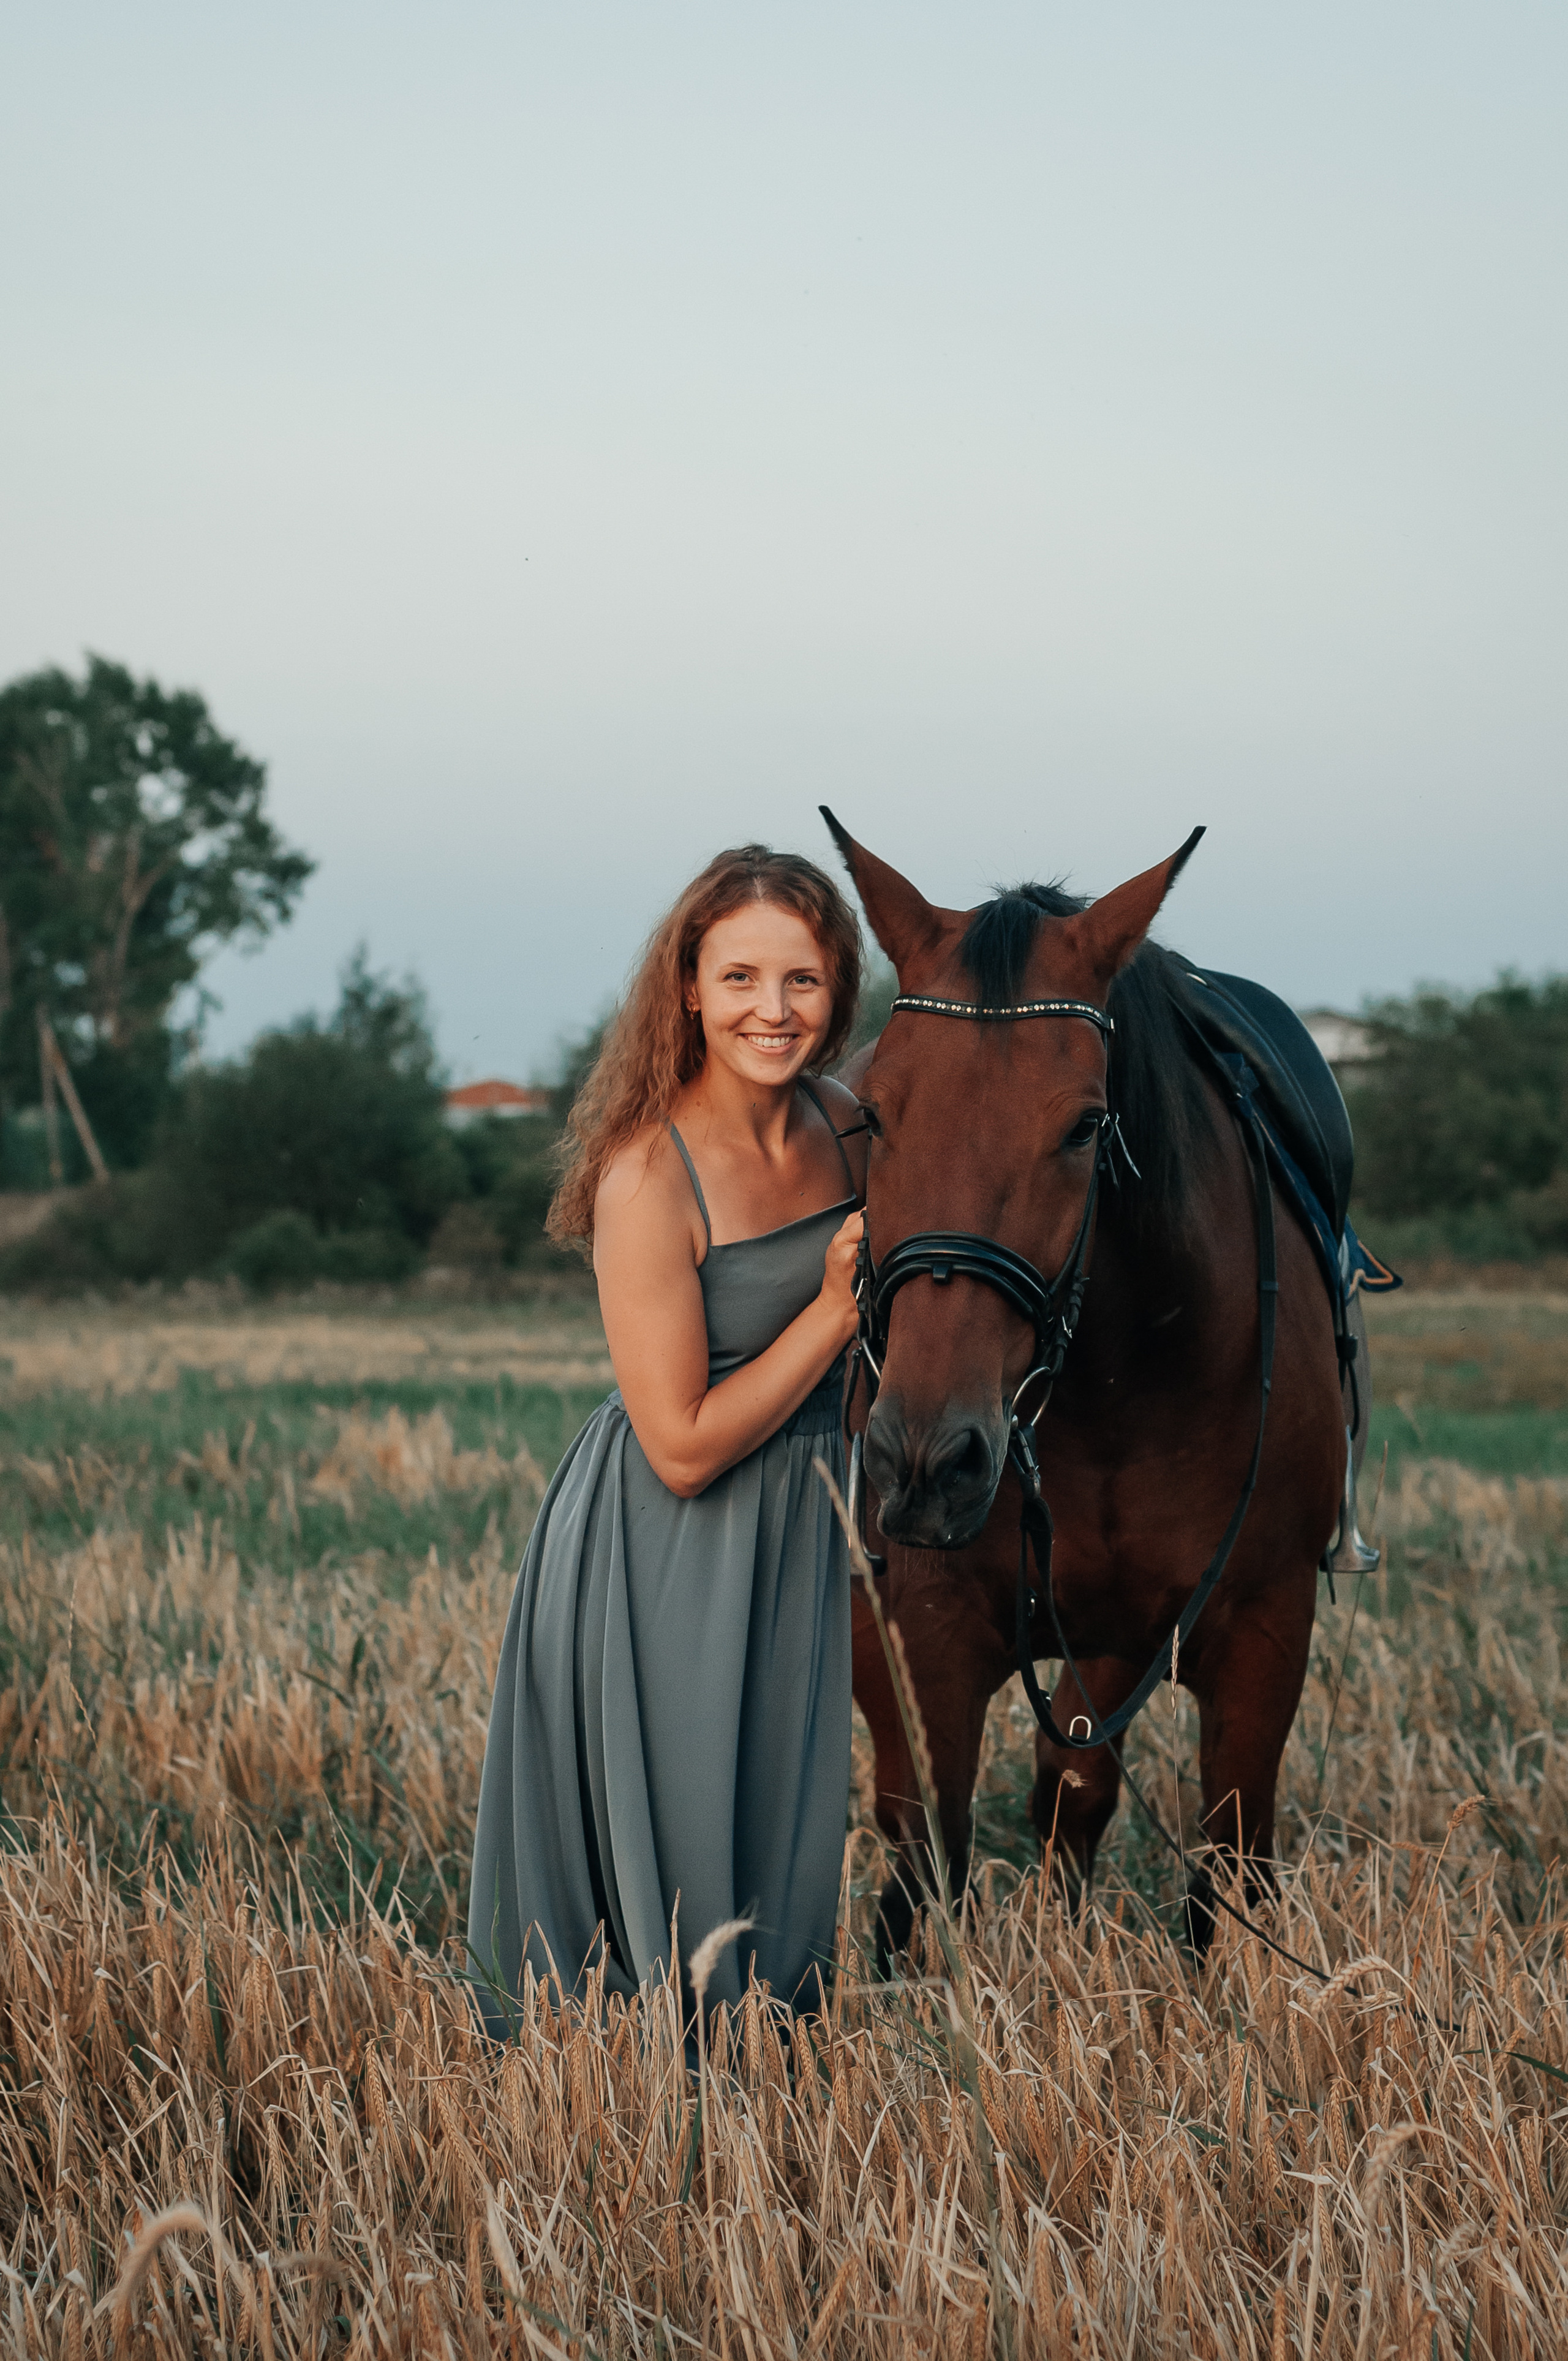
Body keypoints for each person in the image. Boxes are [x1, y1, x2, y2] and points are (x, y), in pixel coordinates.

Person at [468, 844, 867, 2028]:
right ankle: (641, 2075)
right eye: (740, 977)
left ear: (840, 989)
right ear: (687, 987)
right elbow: (681, 1442)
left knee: (784, 1802)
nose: (772, 1010)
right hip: (669, 1534)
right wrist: (838, 1310)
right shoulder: (647, 1172)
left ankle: (772, 2057)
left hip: (807, 1510)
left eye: (801, 980)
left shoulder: (850, 1126)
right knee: (686, 1814)